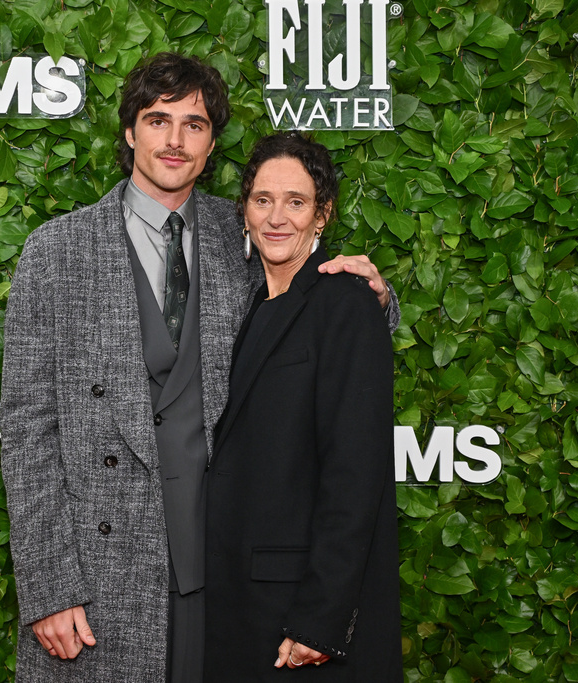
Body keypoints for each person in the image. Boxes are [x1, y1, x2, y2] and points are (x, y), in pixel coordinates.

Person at [0, 53, 400, 683]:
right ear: (130, 131)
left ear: (213, 143)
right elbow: (27, 432)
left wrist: (378, 297)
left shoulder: (241, 230)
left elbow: (311, 316)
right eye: (159, 120)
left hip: (219, 566)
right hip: (101, 575)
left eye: (195, 124)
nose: (175, 140)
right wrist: (50, 585)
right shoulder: (56, 252)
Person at [204, 133, 402, 682]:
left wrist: (321, 618)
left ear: (322, 215)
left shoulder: (345, 302)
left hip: (299, 612)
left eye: (296, 202)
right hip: (240, 599)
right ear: (244, 210)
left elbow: (355, 473)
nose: (277, 218)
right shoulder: (254, 302)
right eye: (262, 200)